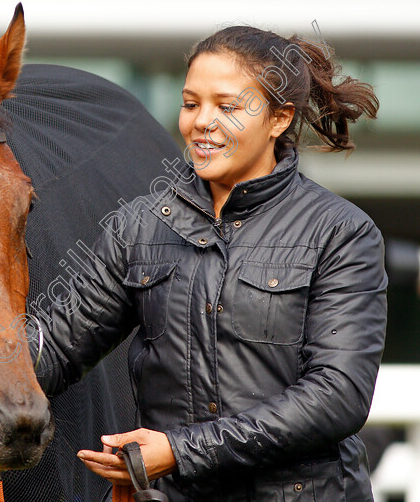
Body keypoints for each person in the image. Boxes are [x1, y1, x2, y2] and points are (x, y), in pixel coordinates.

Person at [34, 26, 385, 501]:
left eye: (227, 106)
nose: (201, 122)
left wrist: (179, 451)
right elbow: (53, 349)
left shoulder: (341, 231)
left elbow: (338, 396)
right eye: (190, 103)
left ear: (279, 119)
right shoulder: (138, 227)